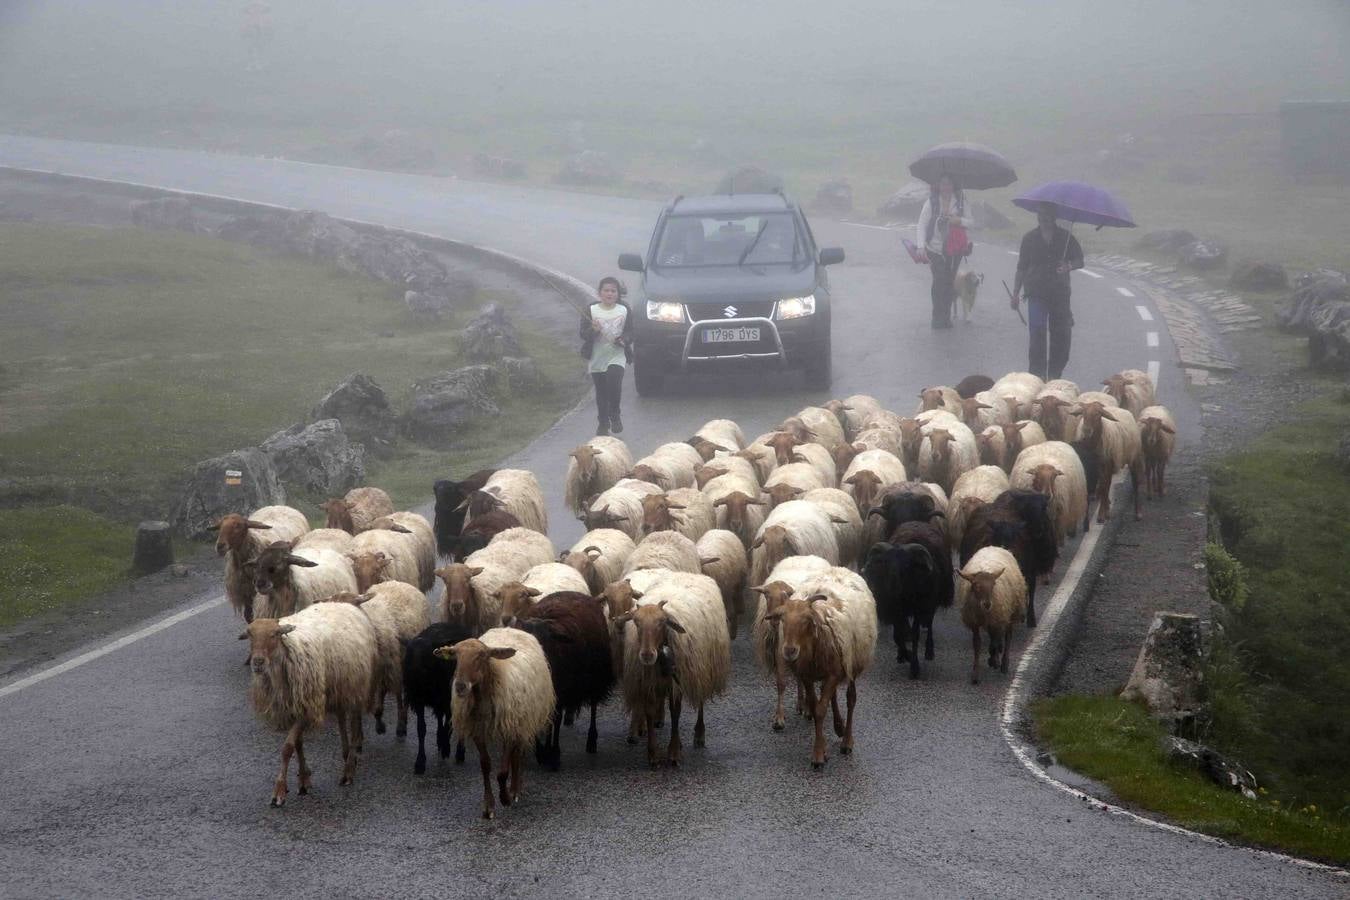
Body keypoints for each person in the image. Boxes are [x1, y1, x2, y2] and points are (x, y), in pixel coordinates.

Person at [1010, 202, 1084, 379]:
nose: (1043, 218)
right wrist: (1015, 293)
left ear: (1054, 216)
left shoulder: (1066, 238)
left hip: (1060, 293)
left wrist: (1068, 265)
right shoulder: (1029, 239)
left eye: (1047, 215)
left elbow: (1080, 260)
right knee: (1037, 332)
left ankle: (1054, 373)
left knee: (1061, 334)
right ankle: (1036, 375)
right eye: (1040, 214)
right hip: (1035, 292)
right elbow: (1021, 268)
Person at [915, 174, 972, 329]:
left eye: (949, 184)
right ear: (938, 185)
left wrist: (958, 220)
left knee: (949, 282)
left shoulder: (961, 201)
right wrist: (921, 246)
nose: (946, 187)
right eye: (943, 184)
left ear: (953, 185)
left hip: (955, 250)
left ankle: (946, 317)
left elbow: (971, 222)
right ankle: (937, 317)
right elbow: (922, 224)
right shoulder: (932, 202)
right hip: (934, 249)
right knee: (939, 280)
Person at [579, 276, 633, 436]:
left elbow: (631, 331)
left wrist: (624, 339)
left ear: (618, 294)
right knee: (601, 391)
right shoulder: (591, 310)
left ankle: (615, 414)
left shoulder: (624, 309)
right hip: (597, 356)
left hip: (617, 355)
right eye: (606, 290)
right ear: (599, 293)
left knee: (614, 381)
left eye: (613, 291)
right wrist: (593, 330)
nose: (609, 294)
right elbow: (583, 334)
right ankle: (603, 422)